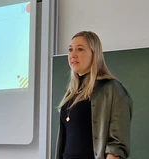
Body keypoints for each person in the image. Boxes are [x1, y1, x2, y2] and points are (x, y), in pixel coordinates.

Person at [55, 31, 133, 159]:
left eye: (80, 49)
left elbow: (117, 146)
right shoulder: (71, 93)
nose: (72, 54)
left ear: (94, 54)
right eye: (70, 49)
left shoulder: (112, 89)